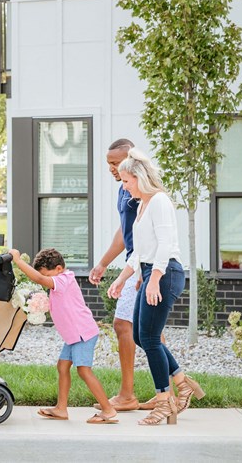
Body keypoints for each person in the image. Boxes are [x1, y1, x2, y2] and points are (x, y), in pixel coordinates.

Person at [108, 149, 205, 426]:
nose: (124, 187)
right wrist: (122, 278)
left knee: (150, 338)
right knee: (141, 336)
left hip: (165, 273)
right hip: (151, 271)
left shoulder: (160, 201)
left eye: (127, 181)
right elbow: (138, 253)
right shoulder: (141, 206)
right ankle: (182, 383)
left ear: (139, 177)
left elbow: (164, 245)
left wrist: (153, 280)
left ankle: (165, 401)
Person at [8, 247, 118, 424]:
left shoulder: (64, 279)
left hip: (82, 333)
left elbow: (40, 279)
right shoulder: (58, 282)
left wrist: (18, 261)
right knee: (62, 366)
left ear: (59, 268)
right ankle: (61, 408)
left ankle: (108, 410)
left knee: (83, 370)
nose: (47, 279)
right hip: (73, 336)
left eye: (48, 275)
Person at [88, 138, 147, 411]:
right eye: (109, 164)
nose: (111, 168)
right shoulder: (123, 191)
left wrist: (138, 272)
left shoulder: (142, 190)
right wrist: (102, 263)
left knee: (124, 325)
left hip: (144, 267)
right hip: (134, 264)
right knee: (149, 331)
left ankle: (128, 395)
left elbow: (149, 232)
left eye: (116, 163)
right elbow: (125, 232)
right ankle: (174, 387)